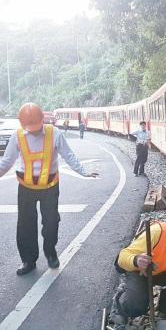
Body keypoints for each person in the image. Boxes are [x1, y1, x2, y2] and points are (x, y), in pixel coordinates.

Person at [0, 103, 98, 275]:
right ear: (22, 124)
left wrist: (84, 172)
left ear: (42, 120)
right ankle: (28, 260)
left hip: (50, 188)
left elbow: (69, 155)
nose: (33, 130)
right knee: (25, 225)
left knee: (51, 223)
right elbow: (6, 161)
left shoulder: (55, 133)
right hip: (25, 189)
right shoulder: (17, 136)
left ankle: (50, 252)